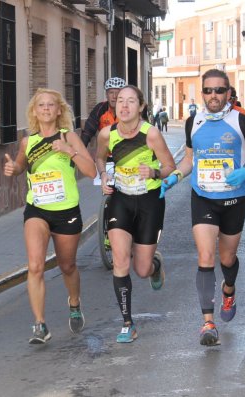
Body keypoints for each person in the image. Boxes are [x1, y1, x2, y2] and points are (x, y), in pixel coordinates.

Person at [159, 69, 245, 346]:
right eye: (208, 90)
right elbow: (189, 160)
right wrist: (174, 177)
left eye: (219, 90)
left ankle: (228, 290)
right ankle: (207, 323)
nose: (213, 96)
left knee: (227, 259)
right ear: (202, 93)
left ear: (229, 93)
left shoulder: (241, 122)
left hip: (234, 200)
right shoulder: (193, 122)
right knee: (206, 256)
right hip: (203, 197)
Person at [3, 88, 96, 344]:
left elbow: (91, 171)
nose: (45, 109)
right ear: (34, 111)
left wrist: (69, 151)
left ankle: (74, 302)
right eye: (40, 105)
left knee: (67, 265)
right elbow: (22, 165)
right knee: (35, 265)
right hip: (37, 209)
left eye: (50, 105)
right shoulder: (28, 142)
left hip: (66, 210)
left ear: (59, 110)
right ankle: (40, 324)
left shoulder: (69, 137)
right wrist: (14, 168)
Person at [95, 85, 176, 343]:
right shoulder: (106, 135)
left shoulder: (150, 134)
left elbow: (170, 167)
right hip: (120, 199)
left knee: (141, 269)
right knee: (120, 260)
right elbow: (100, 159)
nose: (124, 106)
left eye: (131, 101)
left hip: (149, 201)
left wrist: (153, 173)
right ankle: (128, 323)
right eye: (120, 101)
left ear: (141, 107)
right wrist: (105, 175)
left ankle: (155, 266)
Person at [80, 77, 126, 147]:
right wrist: (80, 149)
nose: (114, 96)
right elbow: (87, 131)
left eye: (118, 93)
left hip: (125, 152)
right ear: (106, 95)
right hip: (105, 152)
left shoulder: (128, 110)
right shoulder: (100, 109)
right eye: (111, 93)